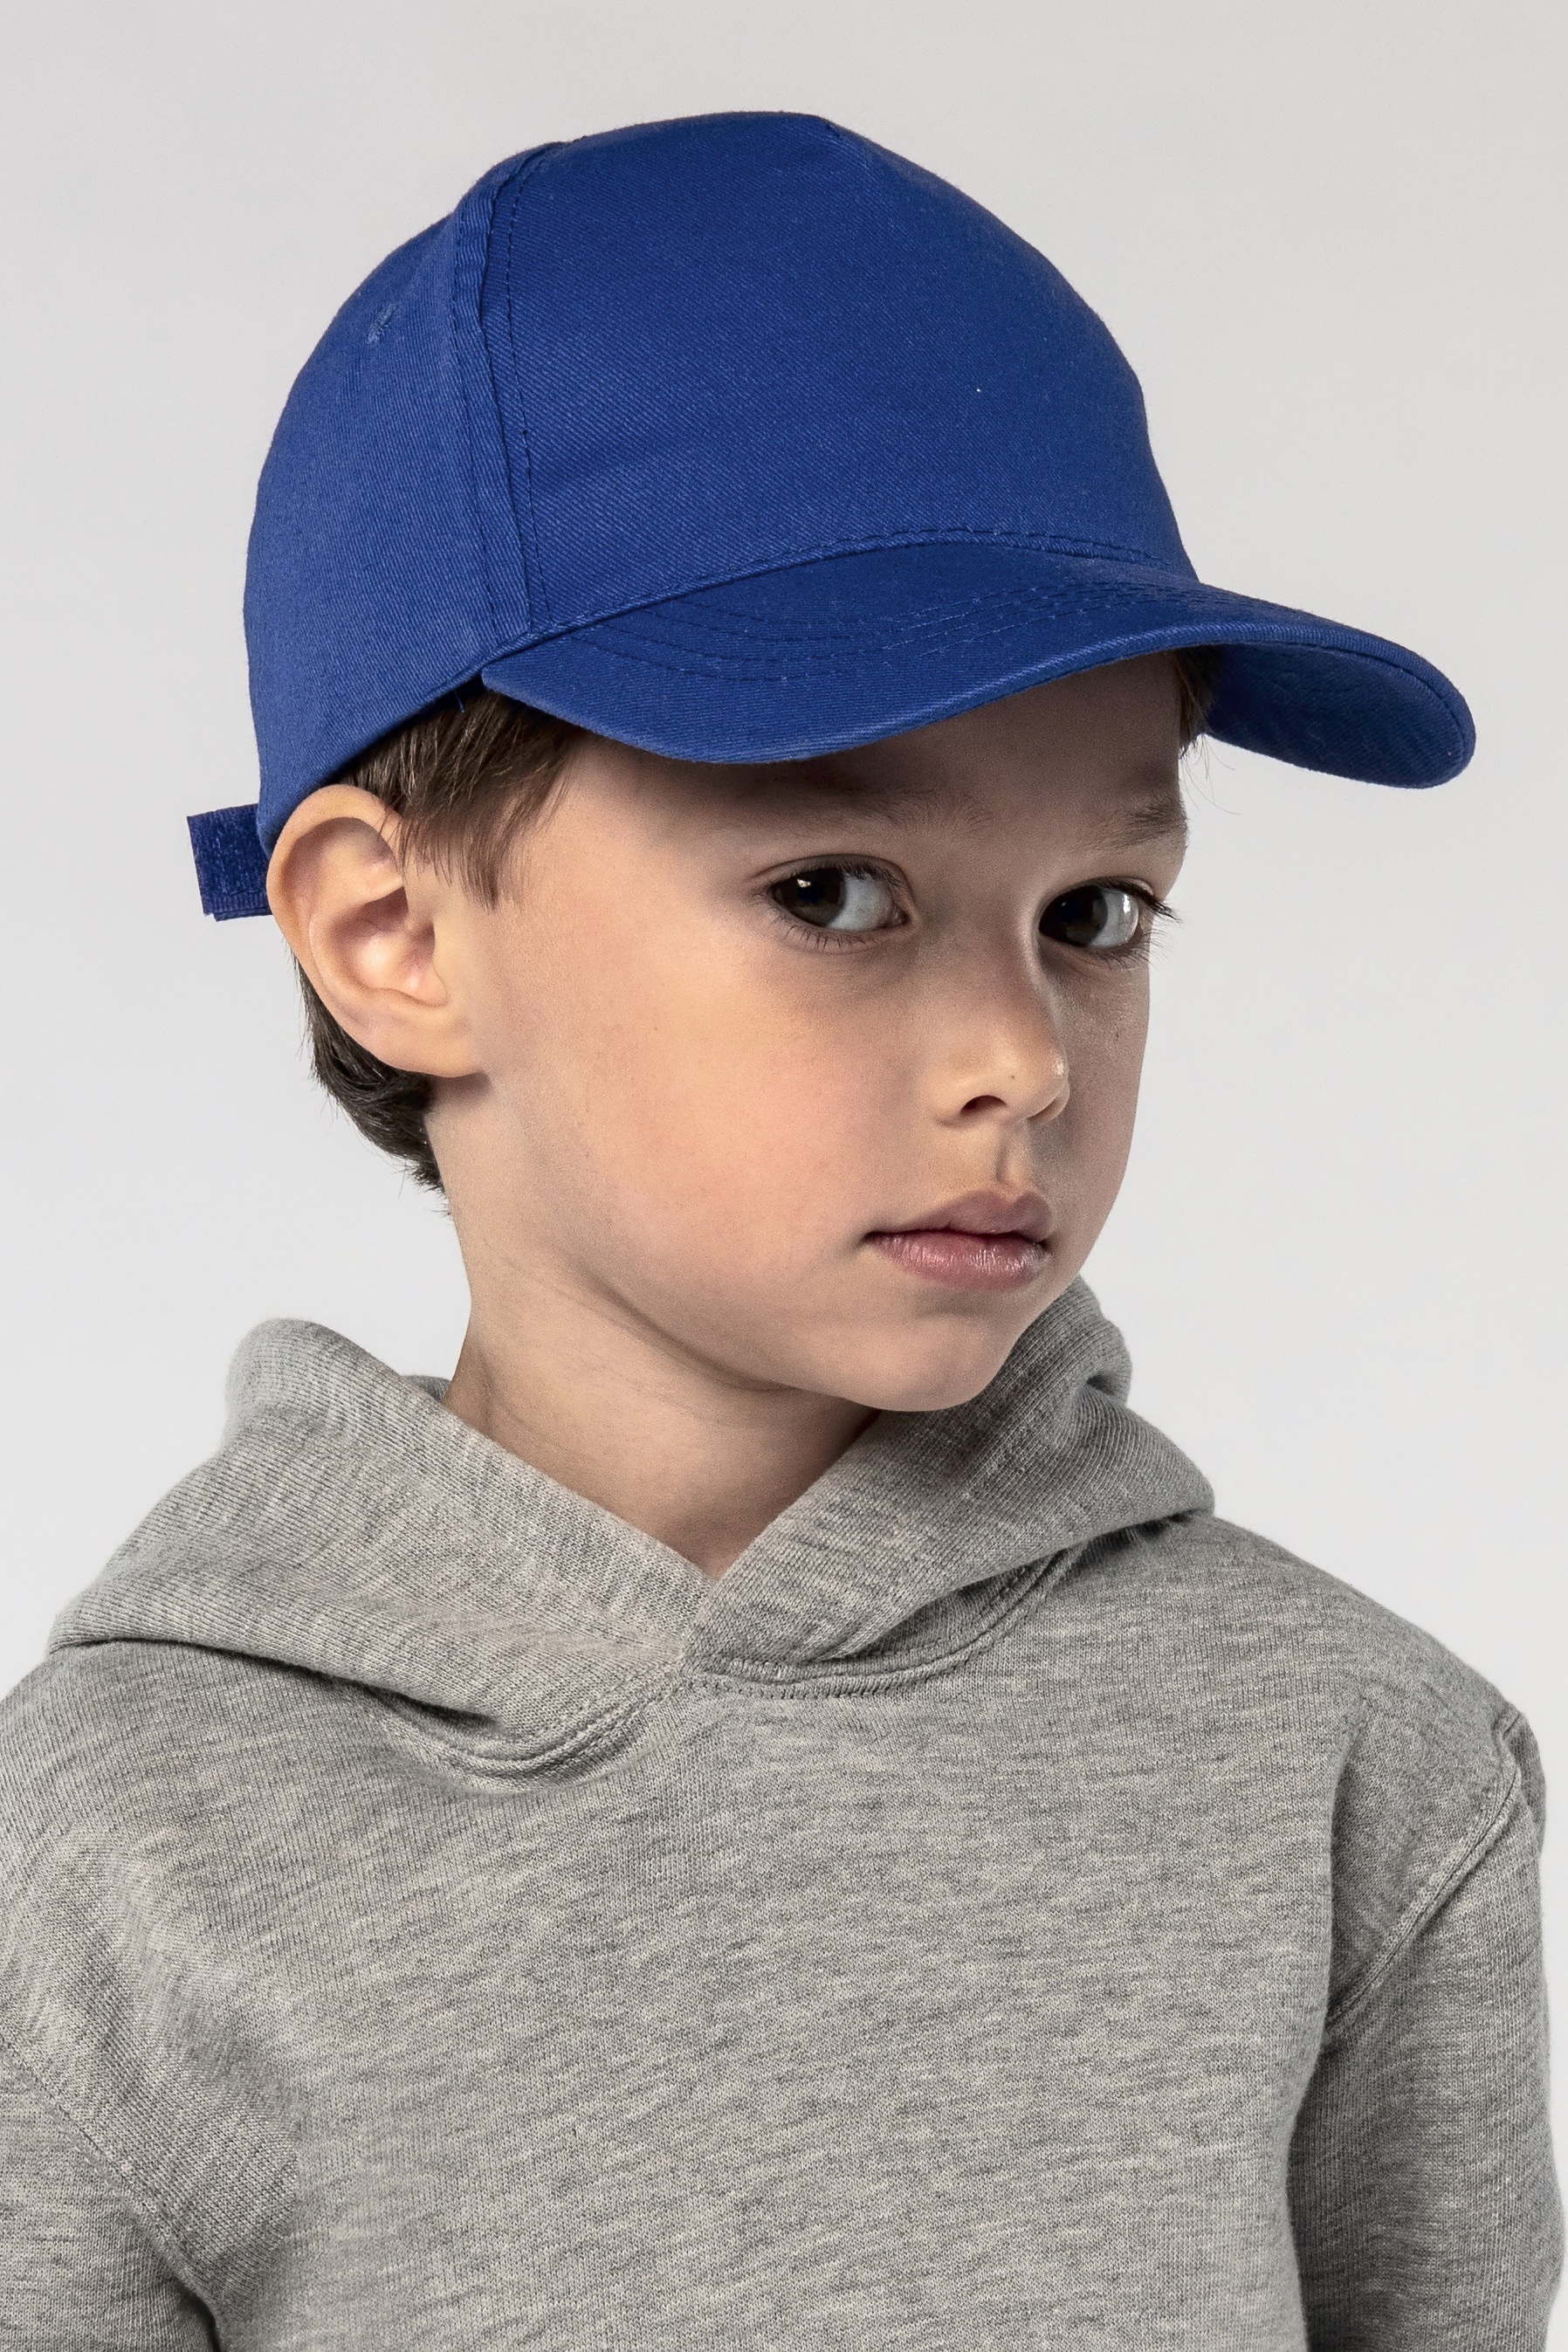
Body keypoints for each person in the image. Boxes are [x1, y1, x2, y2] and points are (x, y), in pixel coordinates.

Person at [0, 110, 1558, 2349]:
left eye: (1098, 911)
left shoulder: (1347, 1762)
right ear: (392, 934)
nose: (1021, 1055)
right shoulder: (107, 1851)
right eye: (833, 893)